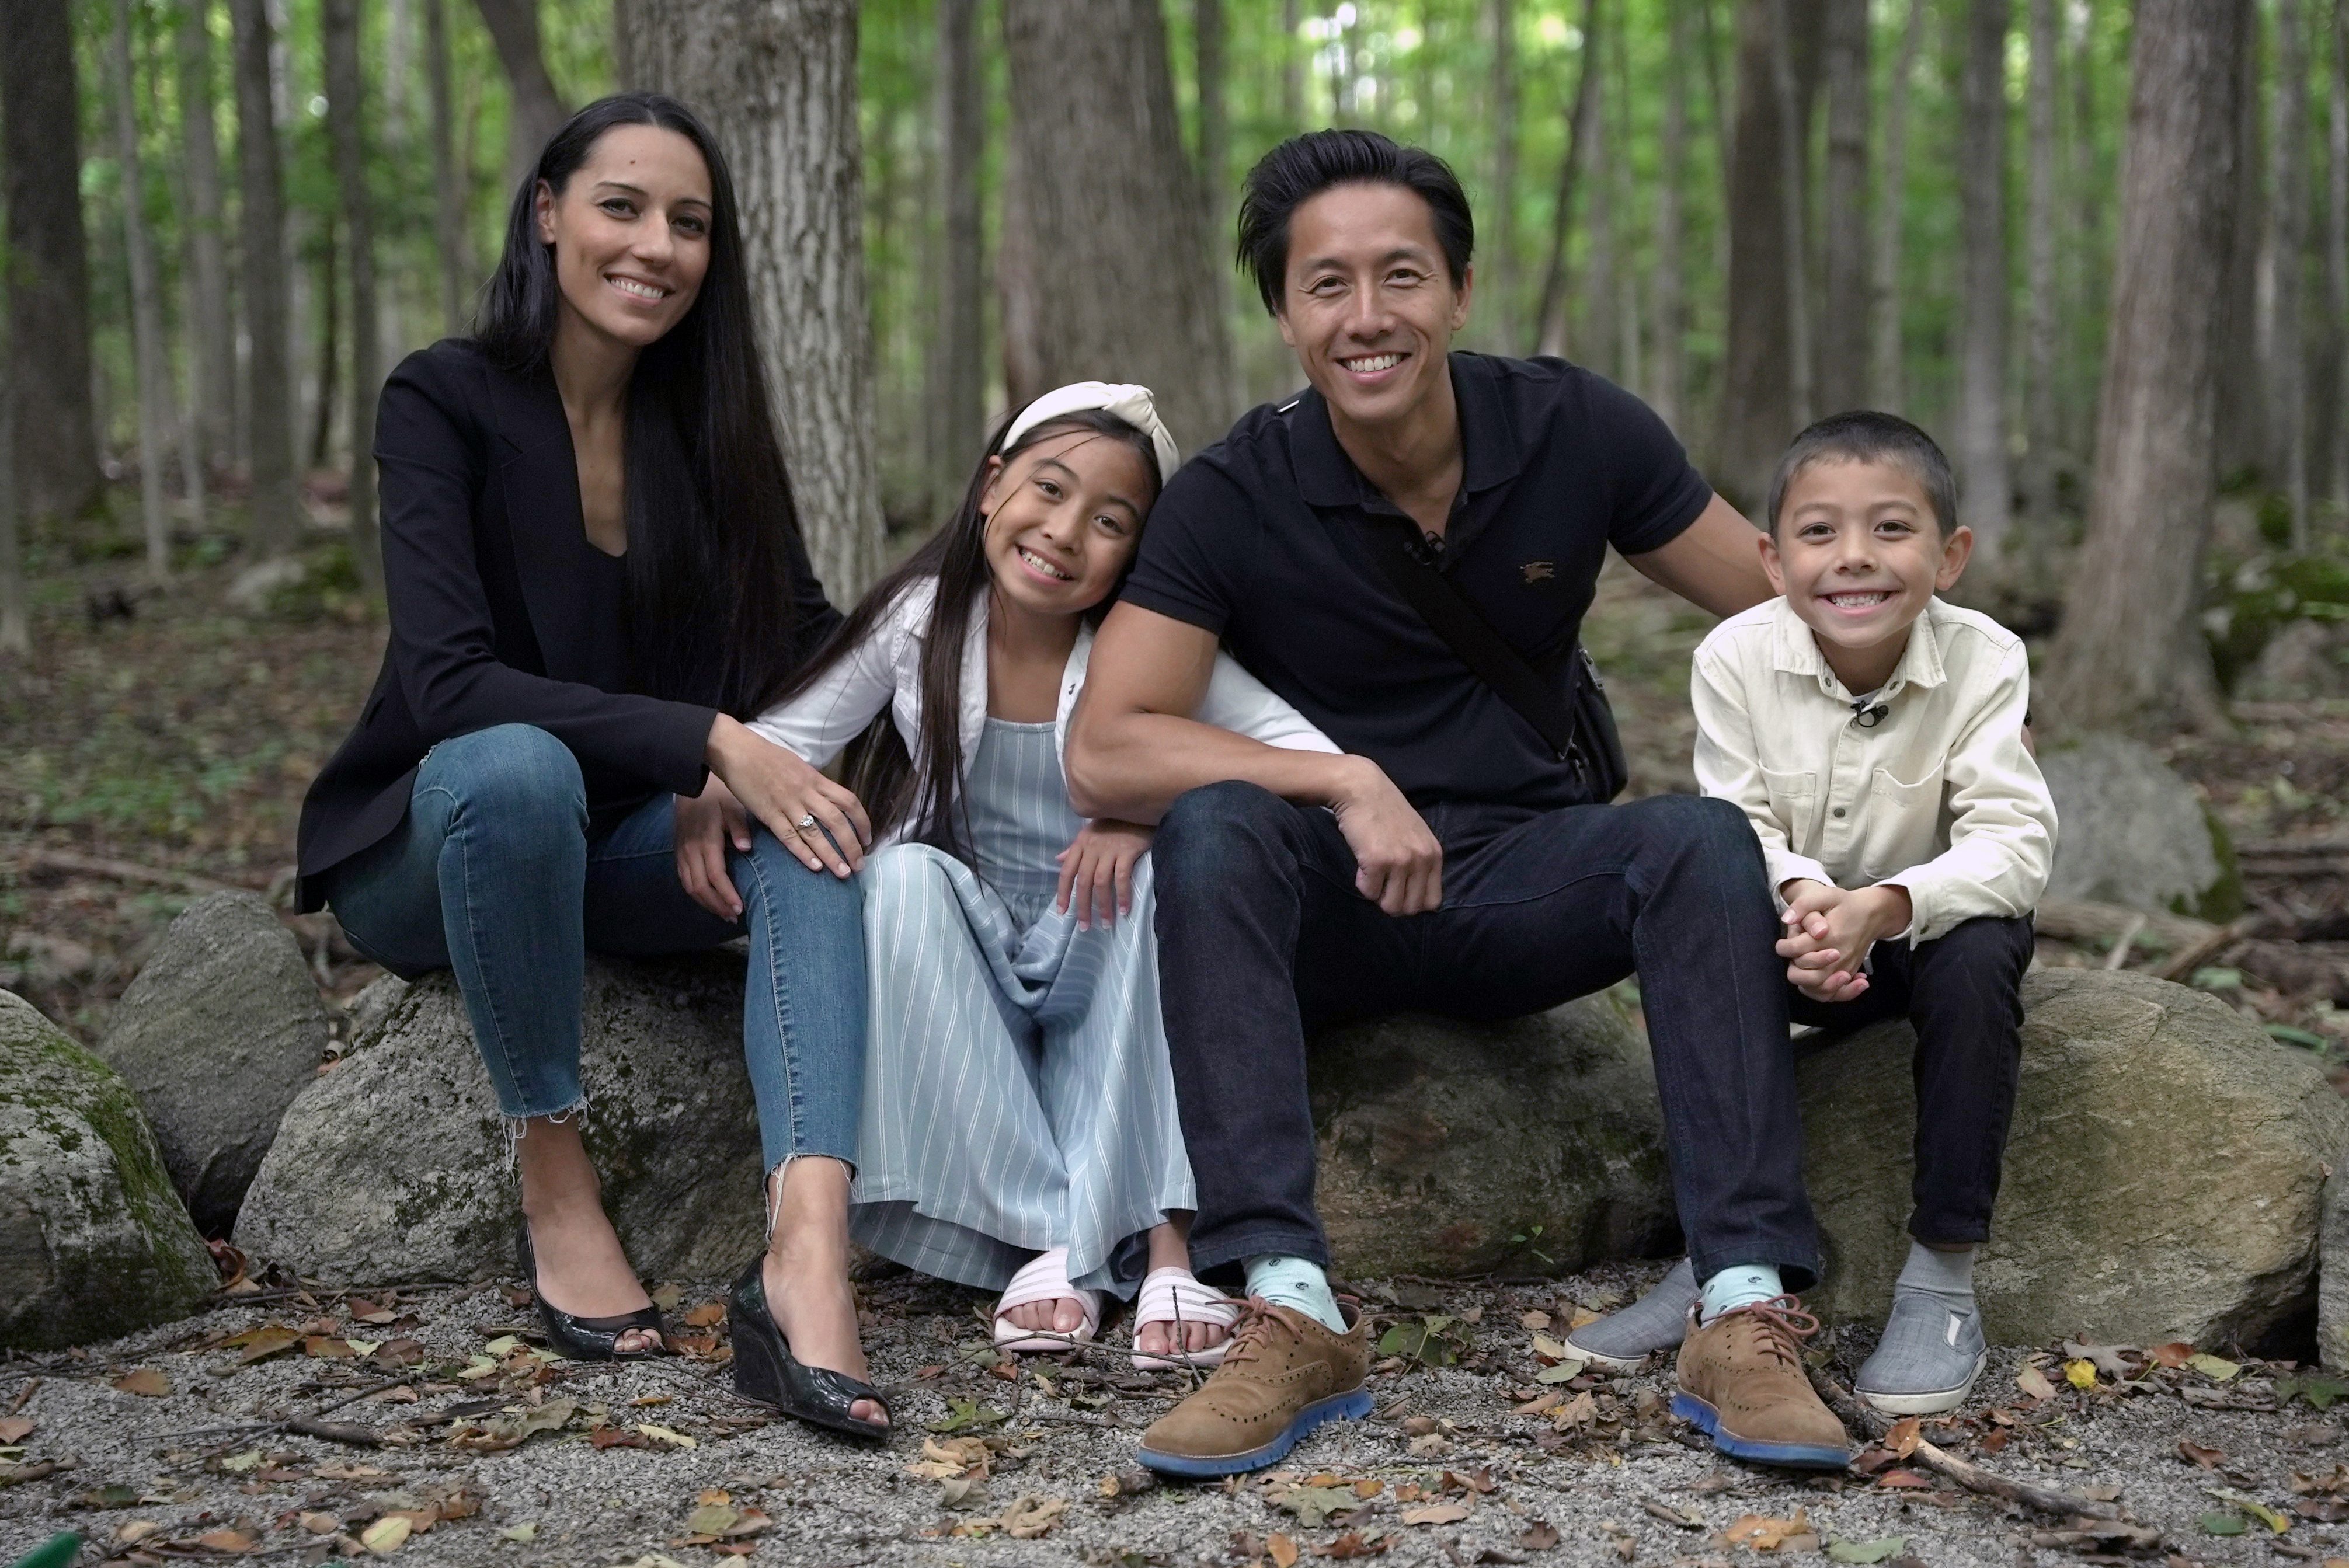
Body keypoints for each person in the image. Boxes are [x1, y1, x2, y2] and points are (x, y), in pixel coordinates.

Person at [1065, 128, 1854, 1477]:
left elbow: (1786, 607)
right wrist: (1342, 779)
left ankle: (1739, 1303)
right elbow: (1106, 747)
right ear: (1284, 315)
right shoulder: (1229, 496)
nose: (1365, 316)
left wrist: (1960, 685)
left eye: (1399, 275)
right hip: (1328, 905)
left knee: (1696, 840)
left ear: (1459, 289)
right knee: (1213, 826)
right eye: (1325, 285)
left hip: (1528, 882)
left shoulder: (1572, 428)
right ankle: (1289, 1308)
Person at [295, 95, 889, 1440]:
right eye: (622, 206)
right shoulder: (442, 398)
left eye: (689, 221)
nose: (656, 245)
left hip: (621, 847)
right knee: (514, 769)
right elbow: (449, 684)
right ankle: (555, 1177)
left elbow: (805, 644)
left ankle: (804, 1254)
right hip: (436, 847)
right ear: (550, 213)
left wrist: (754, 760)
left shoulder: (710, 432)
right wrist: (703, 740)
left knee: (808, 834)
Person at [738, 382, 1339, 1371]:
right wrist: (705, 791)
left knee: (1163, 884)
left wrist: (1147, 810)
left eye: (1110, 522)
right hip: (976, 941)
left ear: (1138, 554)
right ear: (990, 488)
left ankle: (1166, 1241)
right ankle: (1048, 1235)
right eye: (1048, 490)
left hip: (1096, 935)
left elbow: (1308, 760)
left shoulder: (1150, 655)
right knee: (899, 880)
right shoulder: (922, 620)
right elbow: (779, 745)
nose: (1064, 532)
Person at [1579, 413, 2047, 1420]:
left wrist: (1885, 906)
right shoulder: (1735, 656)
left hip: (1920, 940)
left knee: (1983, 947)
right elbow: (1737, 820)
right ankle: (1727, 1255)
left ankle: (1941, 1278)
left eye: (1892, 528)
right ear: (1773, 558)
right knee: (1698, 914)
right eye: (1820, 531)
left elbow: (2015, 841)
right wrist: (1806, 903)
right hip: (1790, 933)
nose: (1855, 557)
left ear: (1950, 556)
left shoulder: (1987, 659)